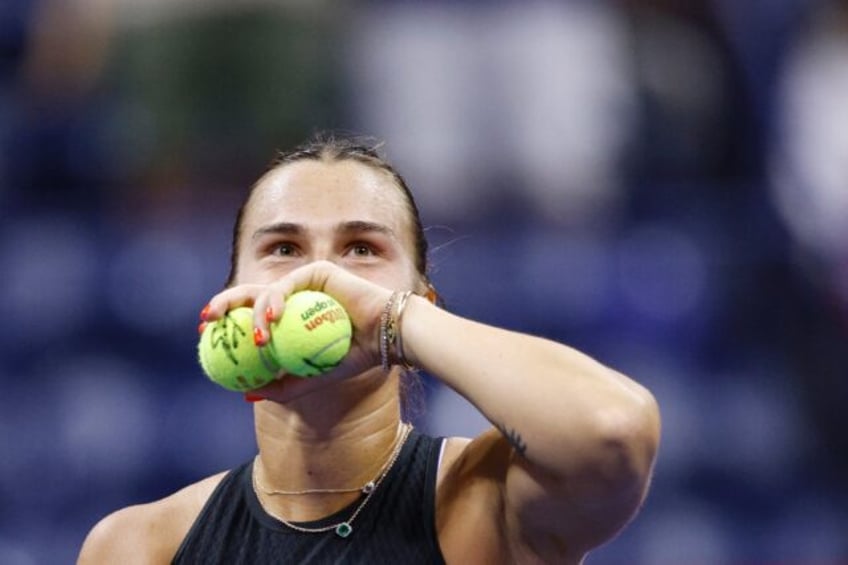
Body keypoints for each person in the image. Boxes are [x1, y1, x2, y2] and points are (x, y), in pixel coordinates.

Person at [78, 133, 661, 564]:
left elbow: (611, 431)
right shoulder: (139, 547)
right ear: (235, 294)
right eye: (283, 248)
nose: (319, 275)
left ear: (420, 302)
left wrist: (395, 322)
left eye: (361, 249)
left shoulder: (484, 502)